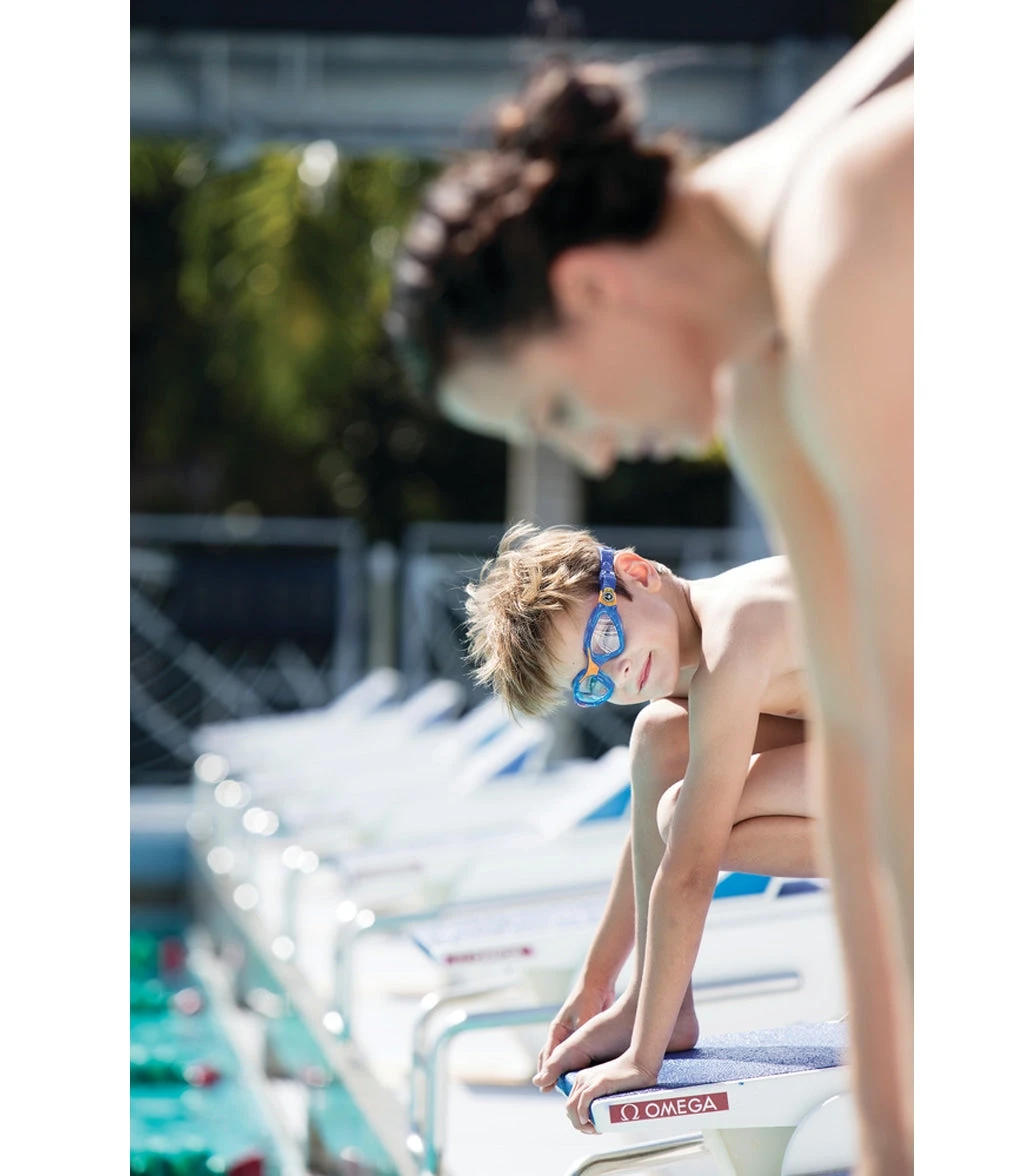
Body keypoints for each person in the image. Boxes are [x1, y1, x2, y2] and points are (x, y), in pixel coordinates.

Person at [387, 4, 913, 1171]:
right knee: (665, 754)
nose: (599, 450)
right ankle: (648, 1004)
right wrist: (610, 997)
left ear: (589, 288)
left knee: (690, 810)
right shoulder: (770, 392)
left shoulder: (842, 233)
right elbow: (869, 754)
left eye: (558, 408)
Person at [465, 523, 824, 1114]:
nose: (616, 671)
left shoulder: (737, 632)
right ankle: (660, 1004)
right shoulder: (702, 656)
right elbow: (653, 850)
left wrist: (642, 1059)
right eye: (591, 681)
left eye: (606, 638)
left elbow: (689, 870)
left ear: (635, 573)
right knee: (660, 734)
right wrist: (596, 984)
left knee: (685, 815)